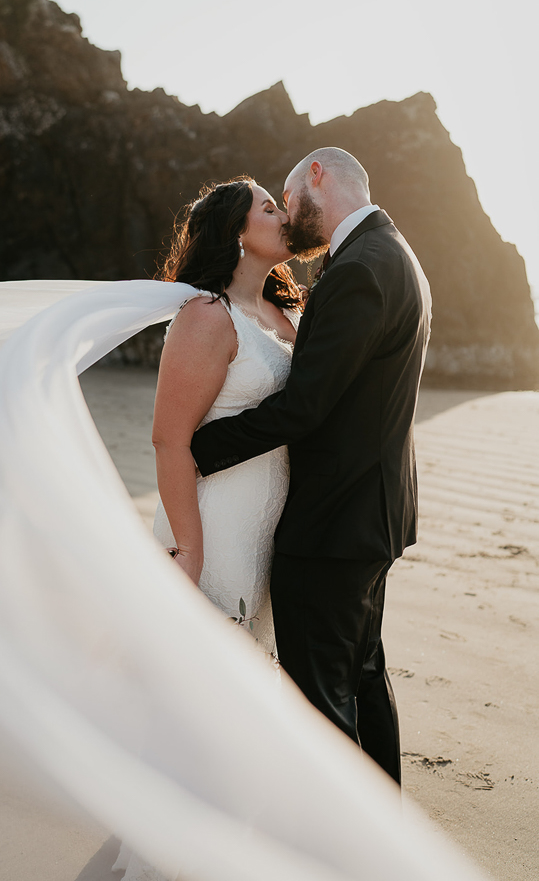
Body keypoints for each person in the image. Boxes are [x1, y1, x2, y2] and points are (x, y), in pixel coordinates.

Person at [191, 147, 432, 784]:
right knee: (361, 679)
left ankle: (336, 849)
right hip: (368, 517)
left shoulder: (361, 267)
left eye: (287, 198)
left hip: (333, 523)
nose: (286, 214)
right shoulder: (390, 254)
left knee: (319, 705)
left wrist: (201, 450)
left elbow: (305, 407)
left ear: (317, 178)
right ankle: (382, 834)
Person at [151, 176, 303, 656]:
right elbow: (169, 441)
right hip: (215, 524)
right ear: (237, 232)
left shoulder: (287, 314)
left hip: (271, 524)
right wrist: (189, 549)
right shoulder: (207, 314)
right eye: (270, 209)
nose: (285, 218)